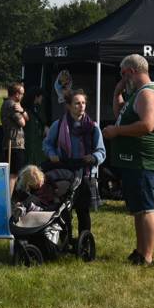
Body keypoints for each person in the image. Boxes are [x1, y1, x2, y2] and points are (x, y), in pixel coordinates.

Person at [102, 54, 154, 266]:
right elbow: (120, 113)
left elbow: (147, 125)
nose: (122, 79)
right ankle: (140, 251)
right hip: (133, 162)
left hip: (143, 162)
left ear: (131, 71)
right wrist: (117, 93)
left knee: (146, 209)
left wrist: (116, 131)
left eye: (123, 74)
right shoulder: (136, 93)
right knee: (138, 209)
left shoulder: (147, 94)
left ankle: (147, 256)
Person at [43, 88, 105, 236]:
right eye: (77, 103)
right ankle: (65, 240)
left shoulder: (93, 127)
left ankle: (85, 242)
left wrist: (94, 157)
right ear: (69, 106)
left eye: (83, 103)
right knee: (64, 211)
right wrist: (51, 154)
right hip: (64, 172)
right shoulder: (58, 125)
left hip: (85, 174)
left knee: (83, 211)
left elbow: (101, 151)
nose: (81, 106)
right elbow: (47, 144)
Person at [0, 82, 28, 191]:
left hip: (13, 143)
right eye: (22, 93)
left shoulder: (11, 104)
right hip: (14, 143)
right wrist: (21, 111)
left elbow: (27, 118)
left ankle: (9, 197)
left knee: (14, 174)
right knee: (13, 175)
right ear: (16, 94)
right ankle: (8, 199)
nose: (23, 96)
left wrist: (22, 110)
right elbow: (23, 122)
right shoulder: (12, 105)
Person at [23, 86, 49, 167]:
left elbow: (42, 121)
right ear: (36, 97)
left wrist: (44, 127)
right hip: (30, 142)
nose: (42, 98)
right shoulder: (26, 110)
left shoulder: (38, 108)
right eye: (41, 96)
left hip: (38, 141)